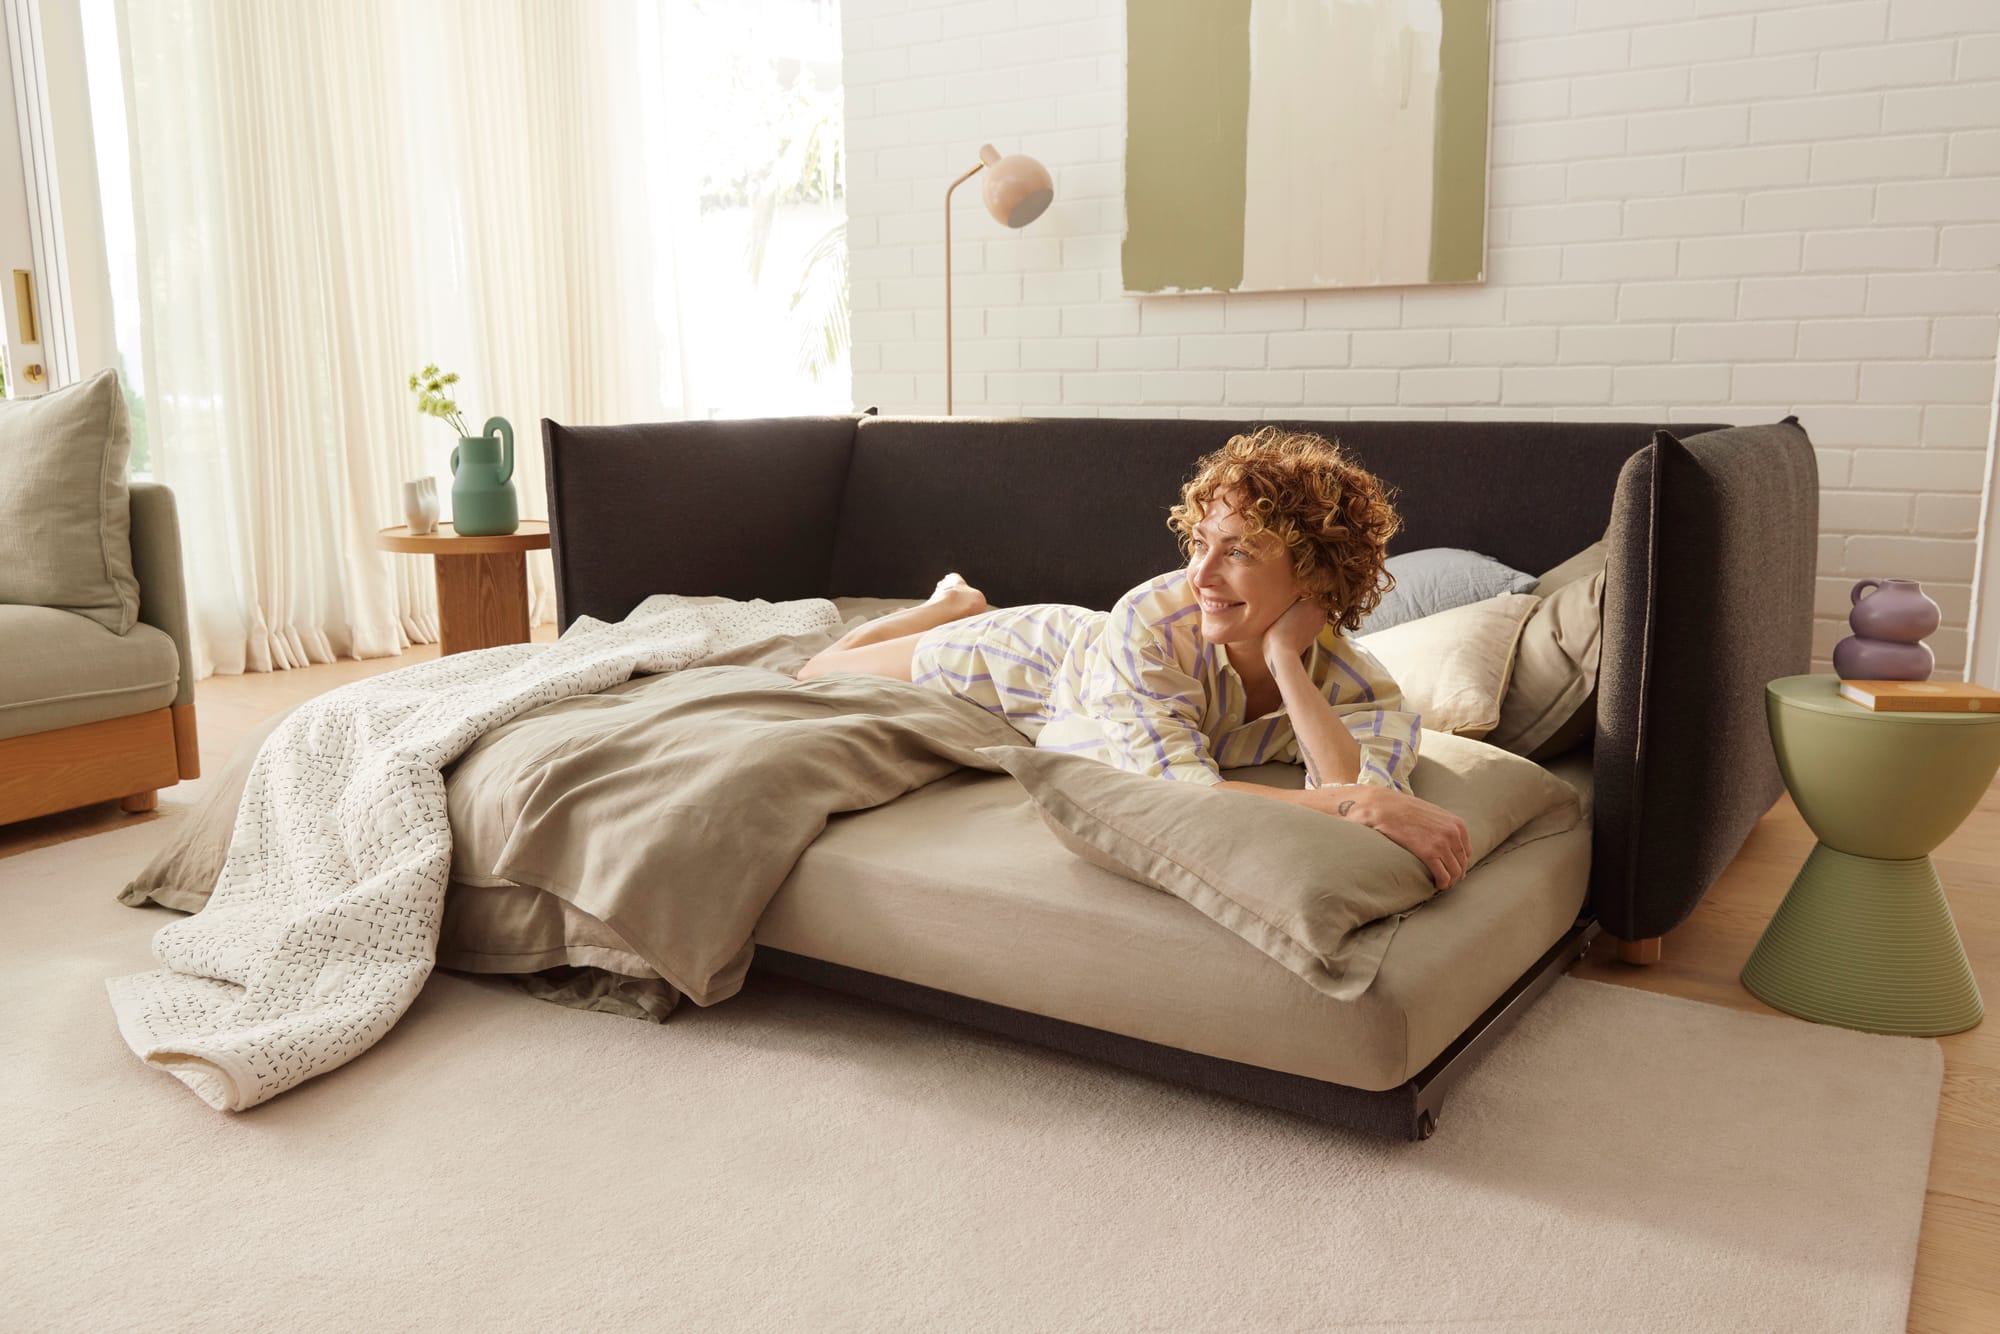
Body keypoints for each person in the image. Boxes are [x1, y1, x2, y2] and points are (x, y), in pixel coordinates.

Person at [797, 426, 1473, 890]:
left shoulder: (1360, 685)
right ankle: (953, 605)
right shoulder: (1150, 621)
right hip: (1038, 659)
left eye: (1238, 551)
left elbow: (1366, 788)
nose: (1201, 575)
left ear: (1316, 578)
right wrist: (1356, 808)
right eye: (1200, 543)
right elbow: (1189, 798)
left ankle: (959, 604)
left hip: (1105, 676)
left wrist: (1287, 665)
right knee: (814, 674)